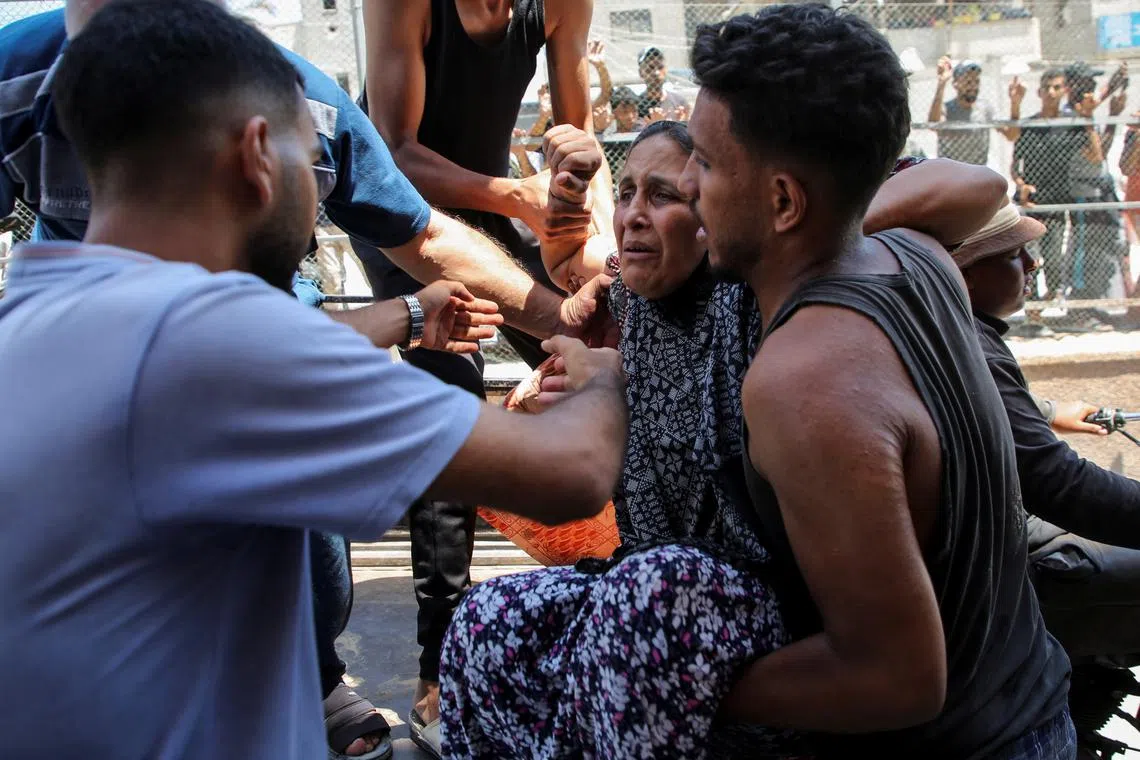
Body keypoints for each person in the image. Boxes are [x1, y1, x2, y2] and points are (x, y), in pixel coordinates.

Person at [0, 3, 629, 759]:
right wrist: (602, 369)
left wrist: (431, 312)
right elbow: (570, 471)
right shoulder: (238, 349)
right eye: (312, 162)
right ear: (257, 154)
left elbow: (412, 244)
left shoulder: (32, 319)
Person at [439, 117, 1012, 760]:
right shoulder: (631, 293)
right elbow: (569, 260)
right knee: (488, 620)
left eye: (663, 196)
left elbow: (977, 186)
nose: (631, 215)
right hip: (657, 590)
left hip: (762, 605)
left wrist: (813, 225)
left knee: (644, 603)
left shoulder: (756, 288)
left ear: (716, 210)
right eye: (626, 192)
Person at [681, 5, 1071, 757]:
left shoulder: (801, 382)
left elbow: (897, 677)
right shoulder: (917, 260)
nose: (690, 185)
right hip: (1034, 707)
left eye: (703, 161)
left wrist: (679, 676)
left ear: (784, 201)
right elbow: (966, 189)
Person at [356, 2, 615, 749]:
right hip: (400, 211)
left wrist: (581, 224)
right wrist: (517, 198)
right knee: (450, 388)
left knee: (597, 340)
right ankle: (439, 669)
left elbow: (581, 136)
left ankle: (622, 590)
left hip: (495, 198)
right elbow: (394, 153)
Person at [951, 201, 1140, 668]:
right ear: (967, 274)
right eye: (1014, 254)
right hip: (1002, 563)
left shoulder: (953, 329)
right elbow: (1059, 484)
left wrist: (1051, 411)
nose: (1033, 263)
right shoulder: (972, 345)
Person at [926, 57, 1022, 165]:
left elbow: (1012, 135)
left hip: (977, 176)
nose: (973, 85)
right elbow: (933, 124)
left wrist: (1015, 104)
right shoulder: (947, 108)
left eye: (976, 81)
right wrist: (942, 83)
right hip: (951, 175)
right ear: (955, 84)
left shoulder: (985, 108)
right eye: (968, 81)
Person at [635, 45, 691, 123]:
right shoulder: (636, 106)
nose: (656, 72)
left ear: (665, 70)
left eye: (660, 67)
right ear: (641, 72)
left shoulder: (679, 102)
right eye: (650, 68)